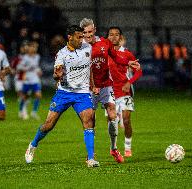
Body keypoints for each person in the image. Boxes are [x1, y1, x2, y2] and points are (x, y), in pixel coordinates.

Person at [25, 25, 99, 168]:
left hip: (82, 93)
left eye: (82, 36)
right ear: (69, 37)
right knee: (48, 125)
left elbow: (97, 55)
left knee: (88, 120)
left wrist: (92, 85)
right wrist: (56, 75)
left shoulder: (88, 48)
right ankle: (33, 145)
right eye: (79, 36)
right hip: (64, 93)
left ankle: (90, 159)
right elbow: (56, 73)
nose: (81, 39)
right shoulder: (62, 54)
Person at [79, 18, 140, 163]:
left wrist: (128, 62)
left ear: (94, 29)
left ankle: (114, 149)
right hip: (89, 89)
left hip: (106, 85)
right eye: (85, 33)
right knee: (90, 120)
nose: (88, 35)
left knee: (113, 116)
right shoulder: (80, 48)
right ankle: (90, 154)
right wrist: (90, 85)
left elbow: (116, 57)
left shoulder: (104, 43)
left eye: (90, 31)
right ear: (82, 33)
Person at [107, 27, 142, 157]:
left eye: (117, 35)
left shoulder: (127, 54)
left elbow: (139, 71)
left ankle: (127, 147)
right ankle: (114, 148)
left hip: (124, 90)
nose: (114, 37)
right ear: (108, 37)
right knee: (111, 123)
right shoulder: (104, 53)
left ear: (120, 37)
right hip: (109, 91)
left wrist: (129, 82)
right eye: (111, 35)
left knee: (126, 120)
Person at [18, 41, 42, 120]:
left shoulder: (37, 57)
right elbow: (19, 67)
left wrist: (39, 70)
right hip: (27, 79)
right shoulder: (25, 57)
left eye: (35, 47)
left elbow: (36, 67)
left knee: (38, 95)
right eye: (32, 47)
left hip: (35, 79)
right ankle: (21, 110)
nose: (34, 49)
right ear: (29, 49)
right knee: (25, 96)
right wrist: (27, 68)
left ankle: (34, 112)